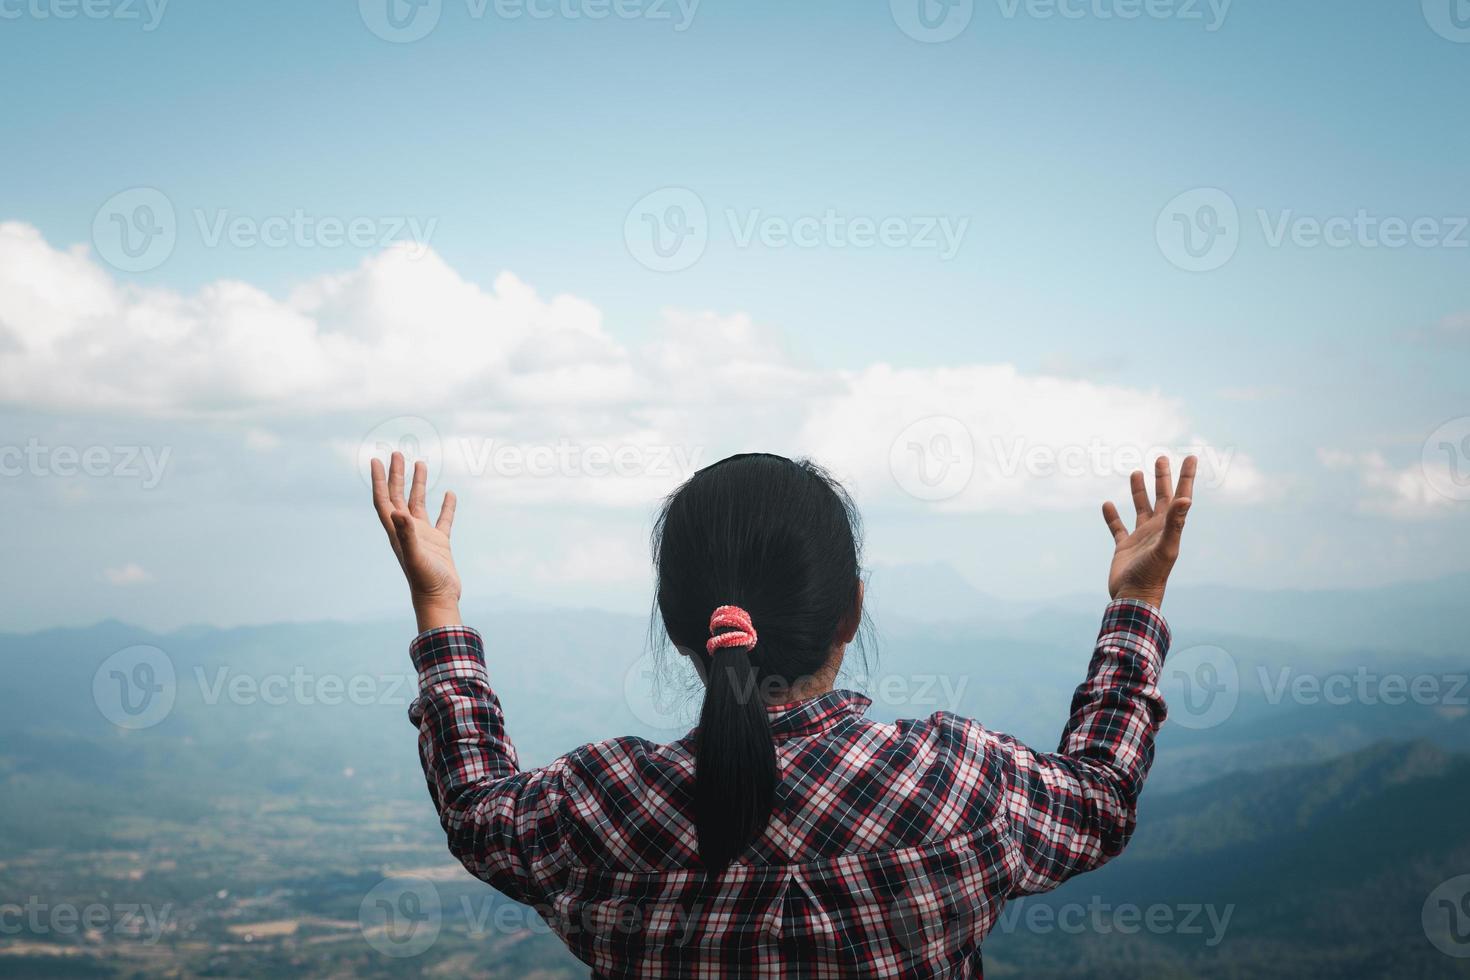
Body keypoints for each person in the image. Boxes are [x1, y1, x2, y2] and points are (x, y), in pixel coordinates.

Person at [369, 450, 1196, 978]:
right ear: (851, 612)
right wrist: (1137, 601)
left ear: (676, 626)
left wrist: (438, 605)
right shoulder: (956, 783)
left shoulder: (602, 809)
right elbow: (1101, 795)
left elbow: (478, 810)